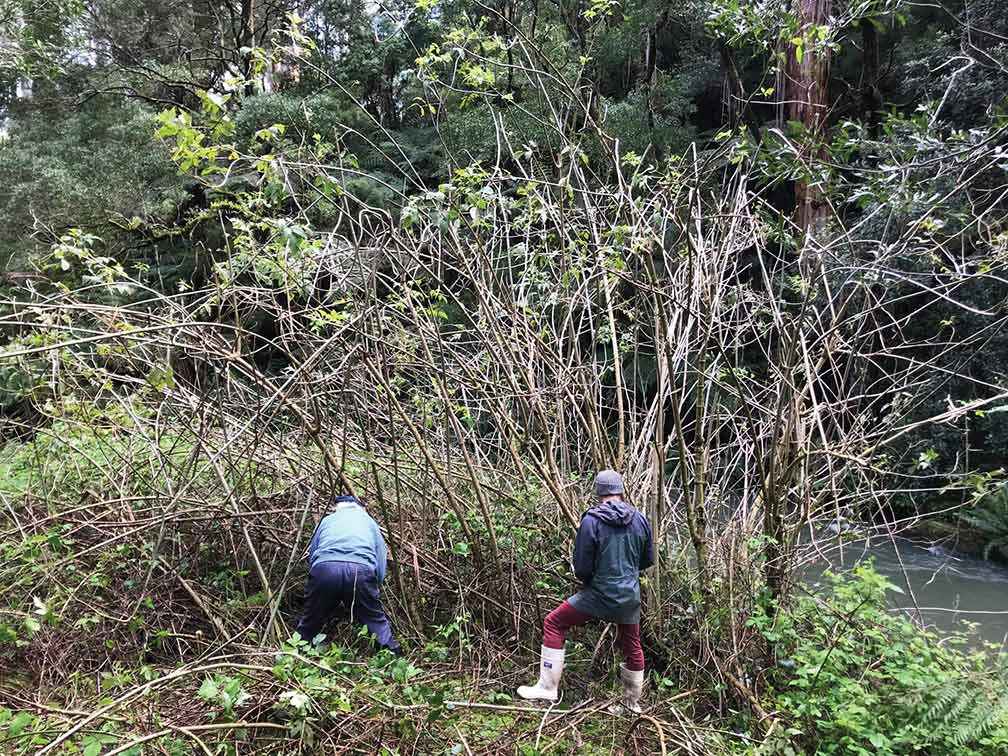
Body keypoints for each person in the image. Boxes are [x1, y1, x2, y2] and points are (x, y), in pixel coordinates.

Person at [517, 470, 654, 712]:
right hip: (629, 596)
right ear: (621, 491)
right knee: (632, 644)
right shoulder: (640, 519)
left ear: (598, 493)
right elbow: (646, 560)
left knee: (554, 622)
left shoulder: (591, 521)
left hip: (597, 595)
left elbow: (582, 567)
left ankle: (548, 688)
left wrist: (592, 584)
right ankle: (631, 704)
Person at [295, 494, 401, 654]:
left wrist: (316, 579)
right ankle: (392, 656)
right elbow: (381, 556)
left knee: (311, 619)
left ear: (336, 508)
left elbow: (313, 553)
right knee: (373, 619)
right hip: (361, 571)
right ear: (360, 508)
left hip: (325, 568)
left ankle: (295, 655)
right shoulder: (369, 523)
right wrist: (375, 584)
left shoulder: (326, 521)